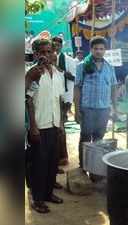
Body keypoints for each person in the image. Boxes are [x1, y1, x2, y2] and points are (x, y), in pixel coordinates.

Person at [26, 39, 65, 213]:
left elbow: (59, 100)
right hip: (39, 125)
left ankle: (48, 193)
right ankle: (37, 199)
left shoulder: (57, 73)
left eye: (49, 51)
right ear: (35, 54)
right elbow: (27, 100)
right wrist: (33, 126)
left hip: (54, 123)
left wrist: (61, 124)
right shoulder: (33, 73)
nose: (46, 55)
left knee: (51, 162)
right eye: (42, 52)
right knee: (38, 165)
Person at [74, 36, 118, 168]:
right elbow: (77, 88)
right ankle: (83, 165)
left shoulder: (110, 67)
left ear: (105, 50)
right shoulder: (82, 66)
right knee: (86, 138)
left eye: (101, 49)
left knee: (99, 139)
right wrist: (76, 110)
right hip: (87, 109)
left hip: (104, 109)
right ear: (91, 49)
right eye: (96, 48)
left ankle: (95, 167)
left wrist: (114, 108)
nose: (98, 51)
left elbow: (113, 87)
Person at [52, 36, 77, 169]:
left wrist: (64, 73)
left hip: (64, 99)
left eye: (58, 45)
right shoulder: (48, 59)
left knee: (60, 128)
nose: (56, 47)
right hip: (51, 98)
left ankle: (62, 157)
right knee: (52, 129)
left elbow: (75, 78)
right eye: (53, 45)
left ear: (61, 46)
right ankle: (55, 158)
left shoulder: (69, 60)